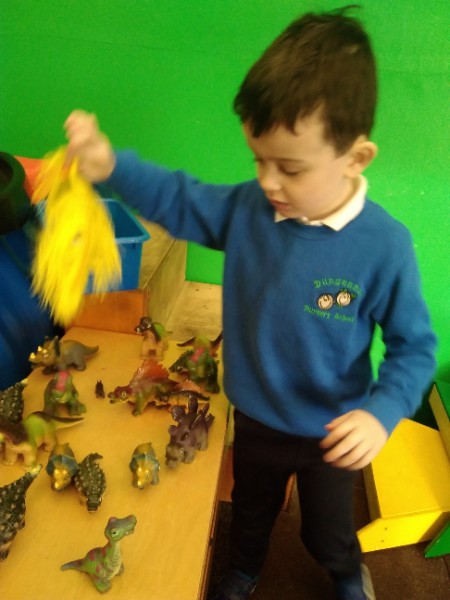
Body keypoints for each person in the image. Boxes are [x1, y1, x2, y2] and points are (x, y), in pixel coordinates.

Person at [64, 7, 436, 600]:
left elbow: (415, 348)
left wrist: (383, 411)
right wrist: (111, 166)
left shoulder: (383, 246)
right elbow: (179, 198)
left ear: (355, 158)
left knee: (328, 531)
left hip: (333, 429)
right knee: (251, 509)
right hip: (258, 416)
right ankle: (243, 570)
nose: (268, 182)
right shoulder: (248, 210)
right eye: (259, 160)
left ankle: (345, 572)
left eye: (290, 168)